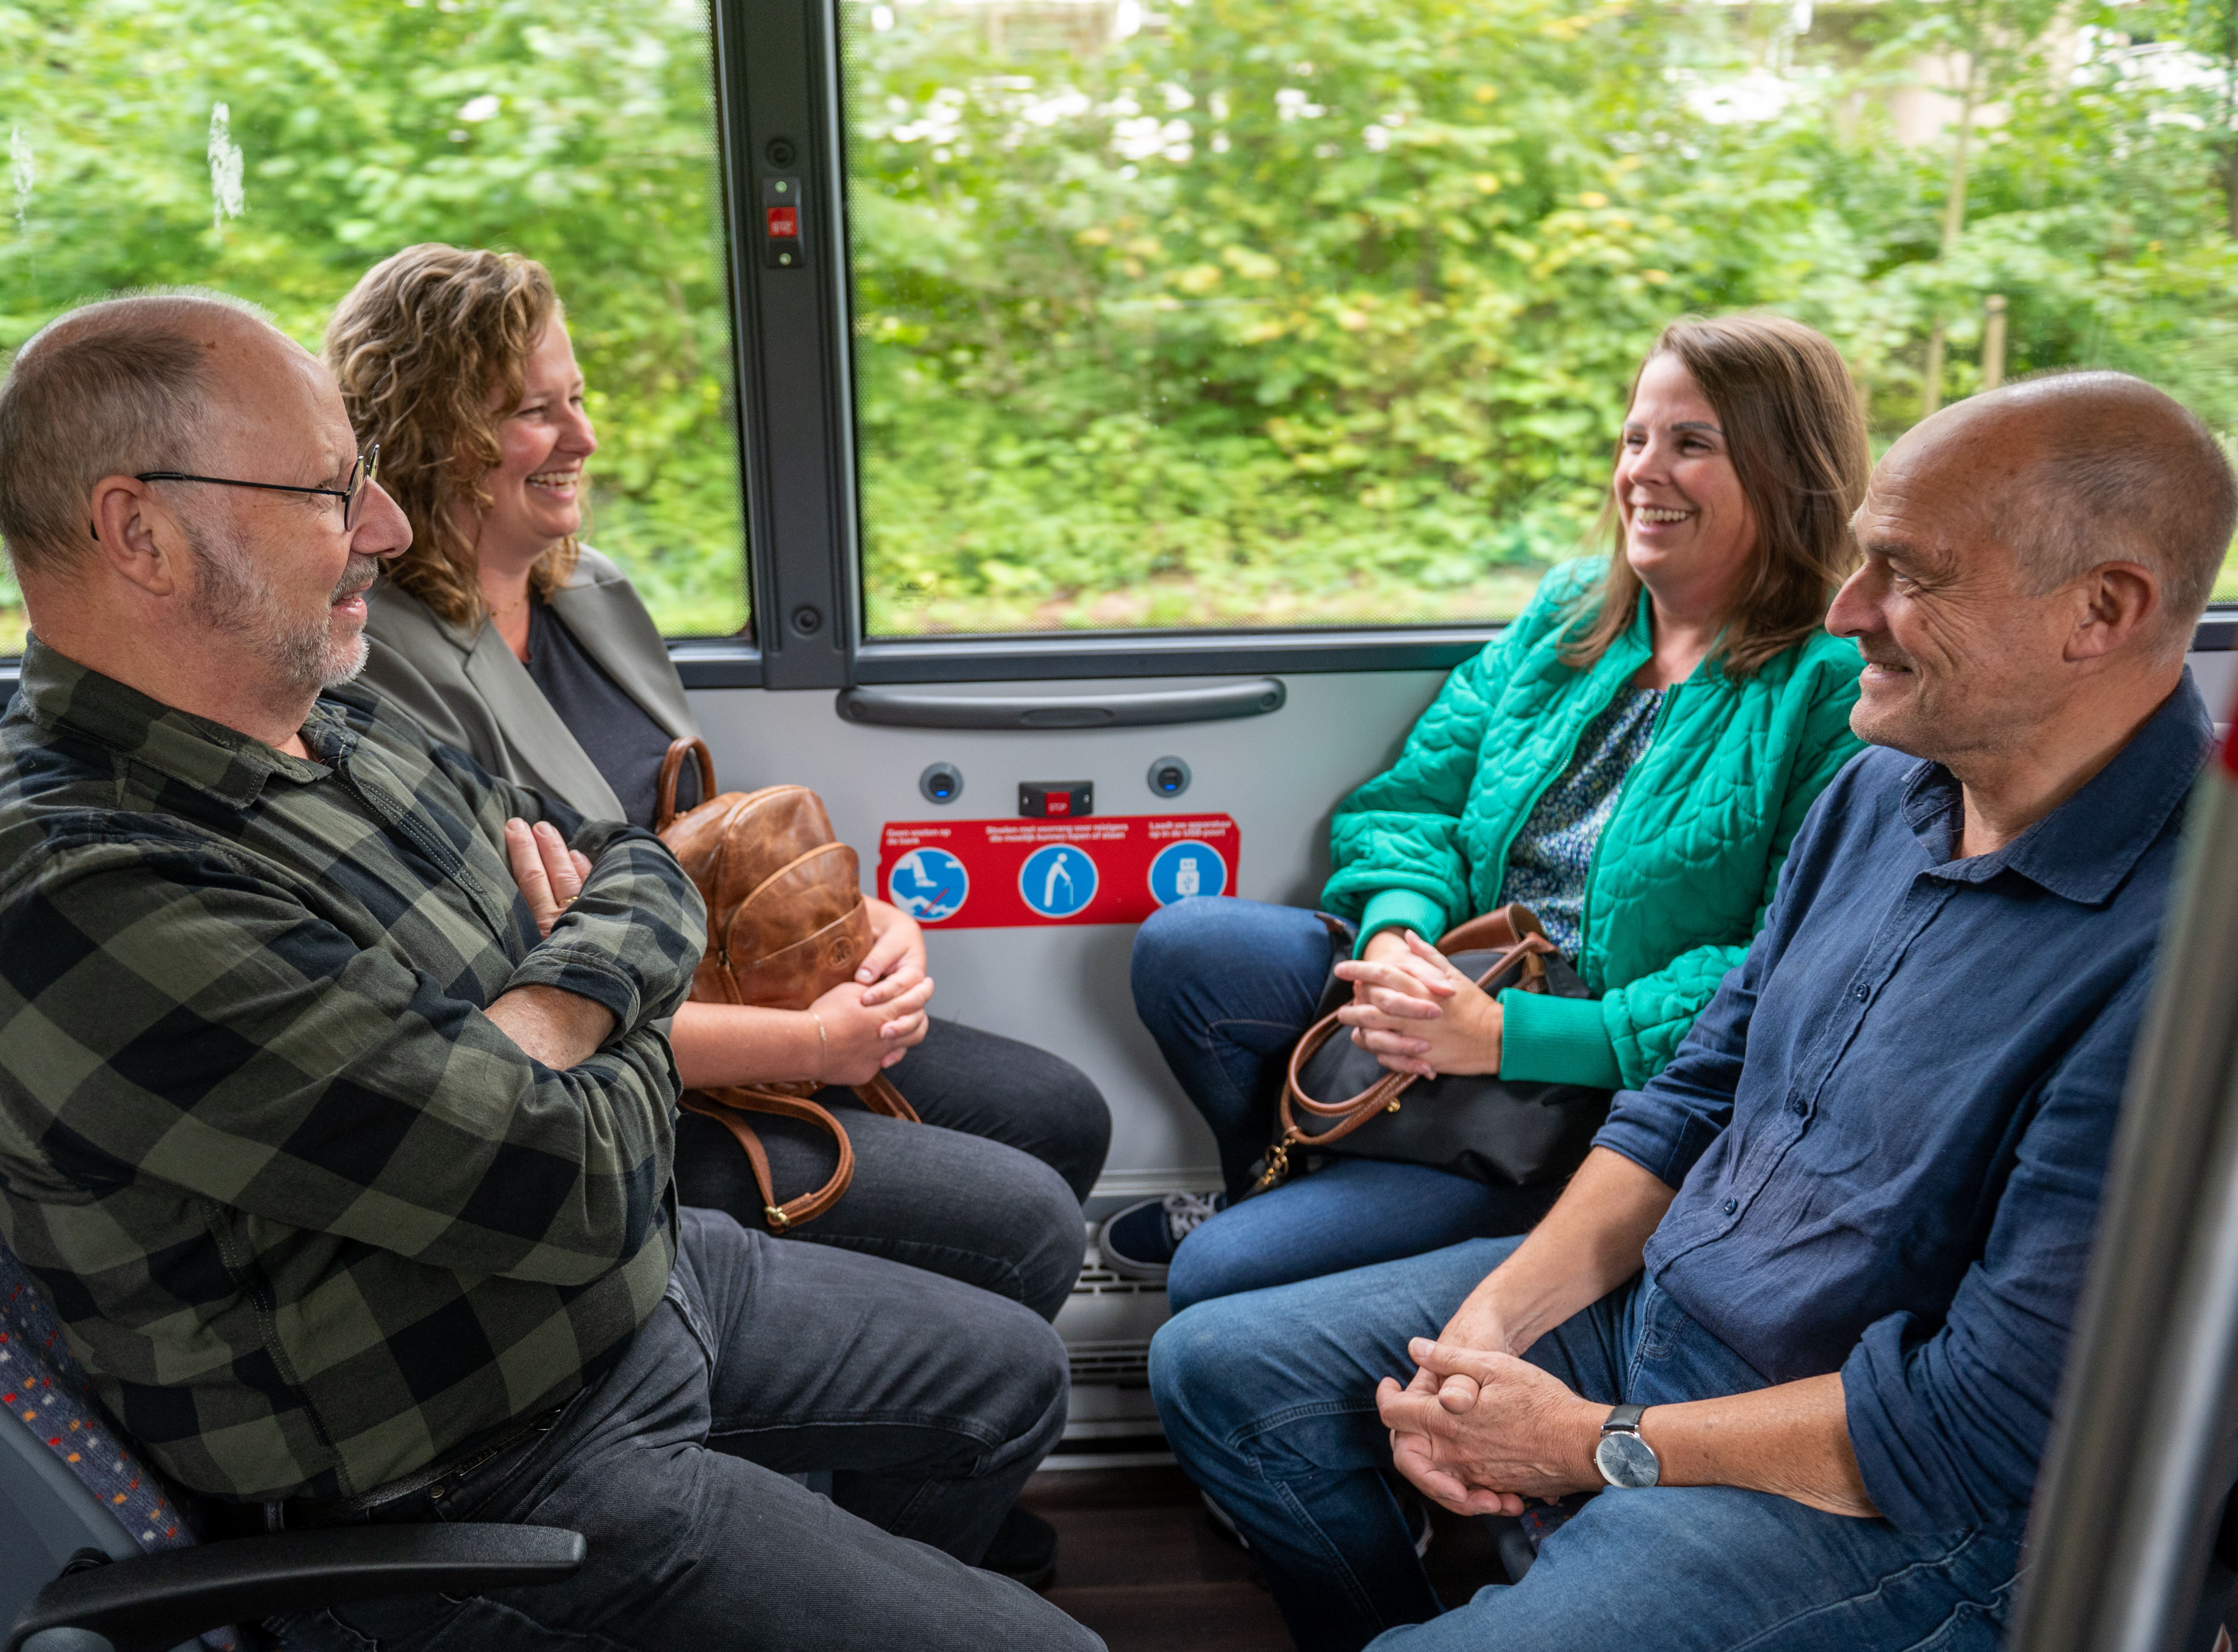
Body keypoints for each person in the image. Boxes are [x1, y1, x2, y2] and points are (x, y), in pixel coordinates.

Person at [0, 290, 1101, 1652]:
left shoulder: (325, 712)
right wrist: (578, 994)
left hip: (625, 1299)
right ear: (138, 532)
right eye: (327, 490)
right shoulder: (91, 895)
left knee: (1013, 1373)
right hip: (475, 1464)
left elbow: (638, 863)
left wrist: (542, 1005)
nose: (385, 527)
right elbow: (578, 1176)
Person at [1148, 368, 2235, 1652]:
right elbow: (1697, 1093)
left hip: (1889, 1484)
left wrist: (1589, 1445)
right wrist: (1490, 1327)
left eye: (1906, 575)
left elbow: (1980, 1426)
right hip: (1671, 1308)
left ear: (2099, 609)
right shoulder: (1884, 788)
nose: (1849, 614)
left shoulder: (2189, 966)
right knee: (1215, 1368)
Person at [323, 244, 1111, 1332]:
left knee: (1058, 1114)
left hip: (735, 993)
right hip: (619, 1083)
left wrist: (859, 924)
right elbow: (517, 999)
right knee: (1019, 1216)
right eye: (531, 412)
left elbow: (700, 838)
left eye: (579, 399)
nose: (584, 441)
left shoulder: (588, 596)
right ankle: (920, 1418)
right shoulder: (382, 668)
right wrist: (814, 1047)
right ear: (427, 432)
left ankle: (905, 1413)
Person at [1105, 313, 1869, 1301]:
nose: (1645, 471)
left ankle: (1452, 1208)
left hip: (1590, 1093)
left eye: (1693, 445)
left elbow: (1780, 968)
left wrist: (1502, 1038)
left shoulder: (1827, 686)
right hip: (1464, 985)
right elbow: (1413, 805)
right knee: (1191, 947)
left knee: (1215, 1275)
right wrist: (1399, 947)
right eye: (1636, 437)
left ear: (1787, 469)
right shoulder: (1569, 615)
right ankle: (1305, 1178)